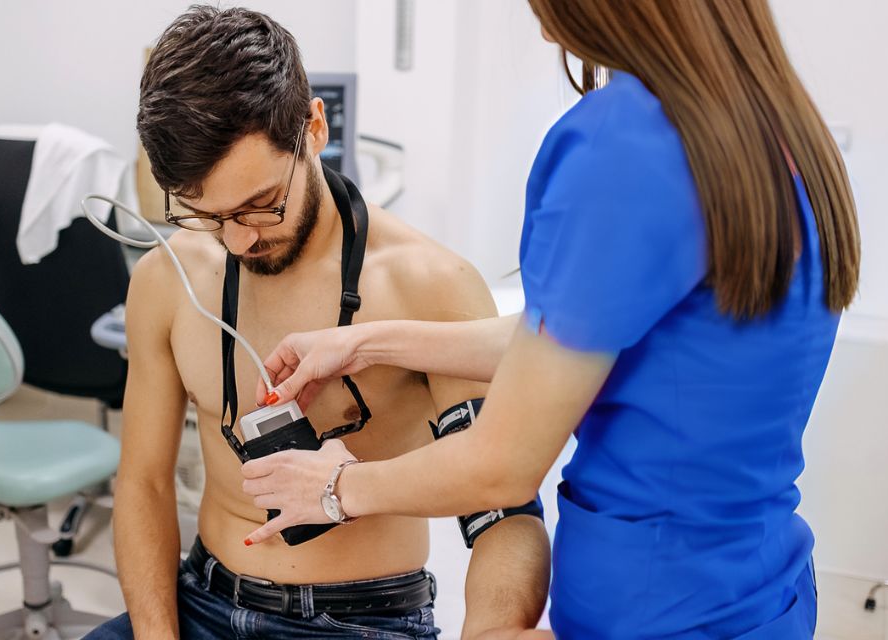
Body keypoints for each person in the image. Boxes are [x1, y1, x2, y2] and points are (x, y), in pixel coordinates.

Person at [237, 0, 862, 637]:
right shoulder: (772, 127)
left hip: (653, 611)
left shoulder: (624, 143)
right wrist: (370, 343)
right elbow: (603, 335)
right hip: (758, 593)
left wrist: (336, 486)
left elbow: (502, 465)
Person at [85, 6, 551, 640]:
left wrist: (491, 628)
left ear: (313, 127)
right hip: (200, 597)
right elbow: (141, 482)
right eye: (209, 215)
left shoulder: (429, 286)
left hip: (358, 621)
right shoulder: (168, 281)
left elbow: (504, 515)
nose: (241, 239)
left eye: (260, 204)